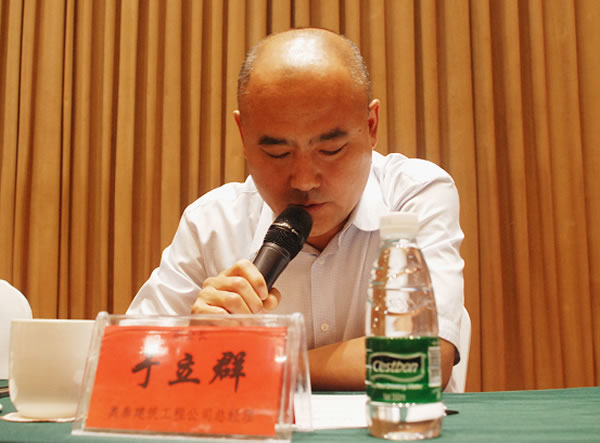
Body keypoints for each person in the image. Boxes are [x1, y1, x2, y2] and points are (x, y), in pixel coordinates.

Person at [127, 28, 464, 391]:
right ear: (243, 136)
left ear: (371, 126)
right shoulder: (211, 223)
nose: (304, 180)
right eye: (278, 153)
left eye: (330, 150)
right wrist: (195, 342)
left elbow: (421, 359)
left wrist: (246, 362)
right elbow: (128, 362)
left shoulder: (413, 196)